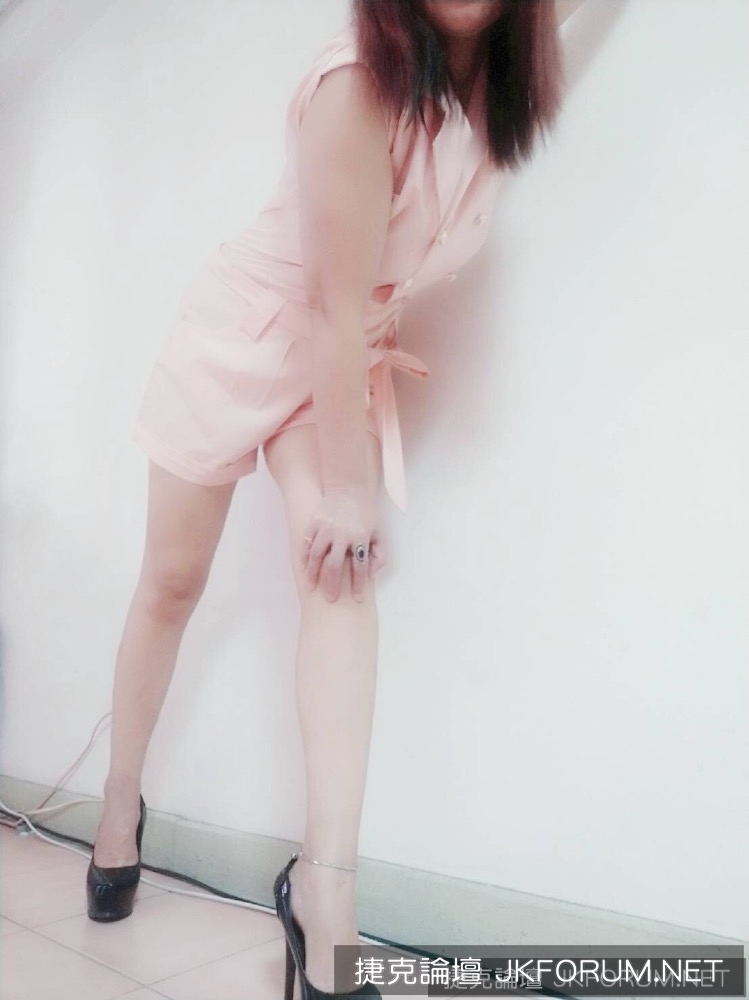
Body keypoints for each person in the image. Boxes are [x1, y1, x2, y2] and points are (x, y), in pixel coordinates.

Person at [85, 1, 587, 997]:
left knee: (337, 572)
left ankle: (327, 894)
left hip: (336, 356)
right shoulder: (356, 81)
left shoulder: (494, 73)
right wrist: (350, 487)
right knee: (172, 582)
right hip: (245, 335)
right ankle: (116, 799)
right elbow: (325, 303)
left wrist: (343, 503)